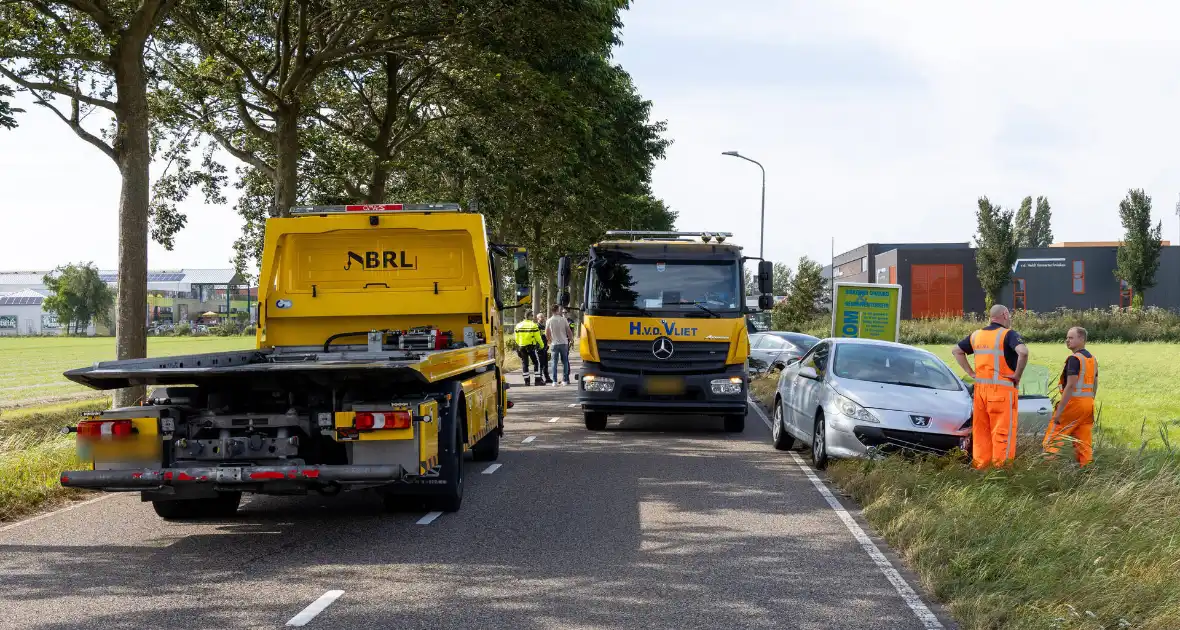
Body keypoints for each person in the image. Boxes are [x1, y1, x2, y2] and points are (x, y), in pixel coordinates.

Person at [951, 304, 1030, 469]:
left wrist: (971, 373)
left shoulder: (976, 335)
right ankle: (1001, 471)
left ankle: (982, 469)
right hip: (1002, 393)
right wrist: (1017, 375)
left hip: (980, 393)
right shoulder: (1008, 334)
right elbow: (1023, 352)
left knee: (981, 434)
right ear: (1005, 315)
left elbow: (957, 350)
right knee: (1003, 433)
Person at [1043, 326, 1098, 466]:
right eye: (1067, 338)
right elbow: (1095, 383)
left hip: (1073, 404)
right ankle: (1086, 469)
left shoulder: (1074, 359)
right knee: (1084, 441)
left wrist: (1059, 411)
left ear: (1082, 339)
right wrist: (1091, 400)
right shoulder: (1092, 359)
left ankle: (1047, 468)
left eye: (1071, 337)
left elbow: (1071, 385)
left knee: (1053, 436)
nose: (1067, 340)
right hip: (1088, 405)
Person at [514, 311, 544, 386]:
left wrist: (519, 344)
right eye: (532, 315)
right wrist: (542, 345)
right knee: (536, 362)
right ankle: (537, 380)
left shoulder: (518, 325)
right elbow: (538, 337)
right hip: (531, 347)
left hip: (521, 347)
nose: (533, 317)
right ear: (530, 316)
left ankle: (527, 381)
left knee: (525, 363)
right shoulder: (533, 325)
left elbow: (516, 338)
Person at [545, 305, 573, 386]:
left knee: (554, 363)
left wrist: (549, 340)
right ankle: (565, 380)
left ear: (551, 311)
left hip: (554, 343)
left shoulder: (549, 320)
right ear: (557, 310)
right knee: (565, 362)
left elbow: (547, 332)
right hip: (564, 343)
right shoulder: (563, 319)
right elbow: (568, 331)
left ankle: (554, 381)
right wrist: (571, 339)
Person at [535, 312, 553, 384]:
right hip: (539, 348)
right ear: (538, 318)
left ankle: (547, 378)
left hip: (545, 347)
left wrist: (548, 344)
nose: (543, 318)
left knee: (546, 363)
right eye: (541, 317)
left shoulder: (544, 326)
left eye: (543, 317)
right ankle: (540, 378)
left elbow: (546, 336)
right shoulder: (536, 327)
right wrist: (538, 347)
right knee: (541, 364)